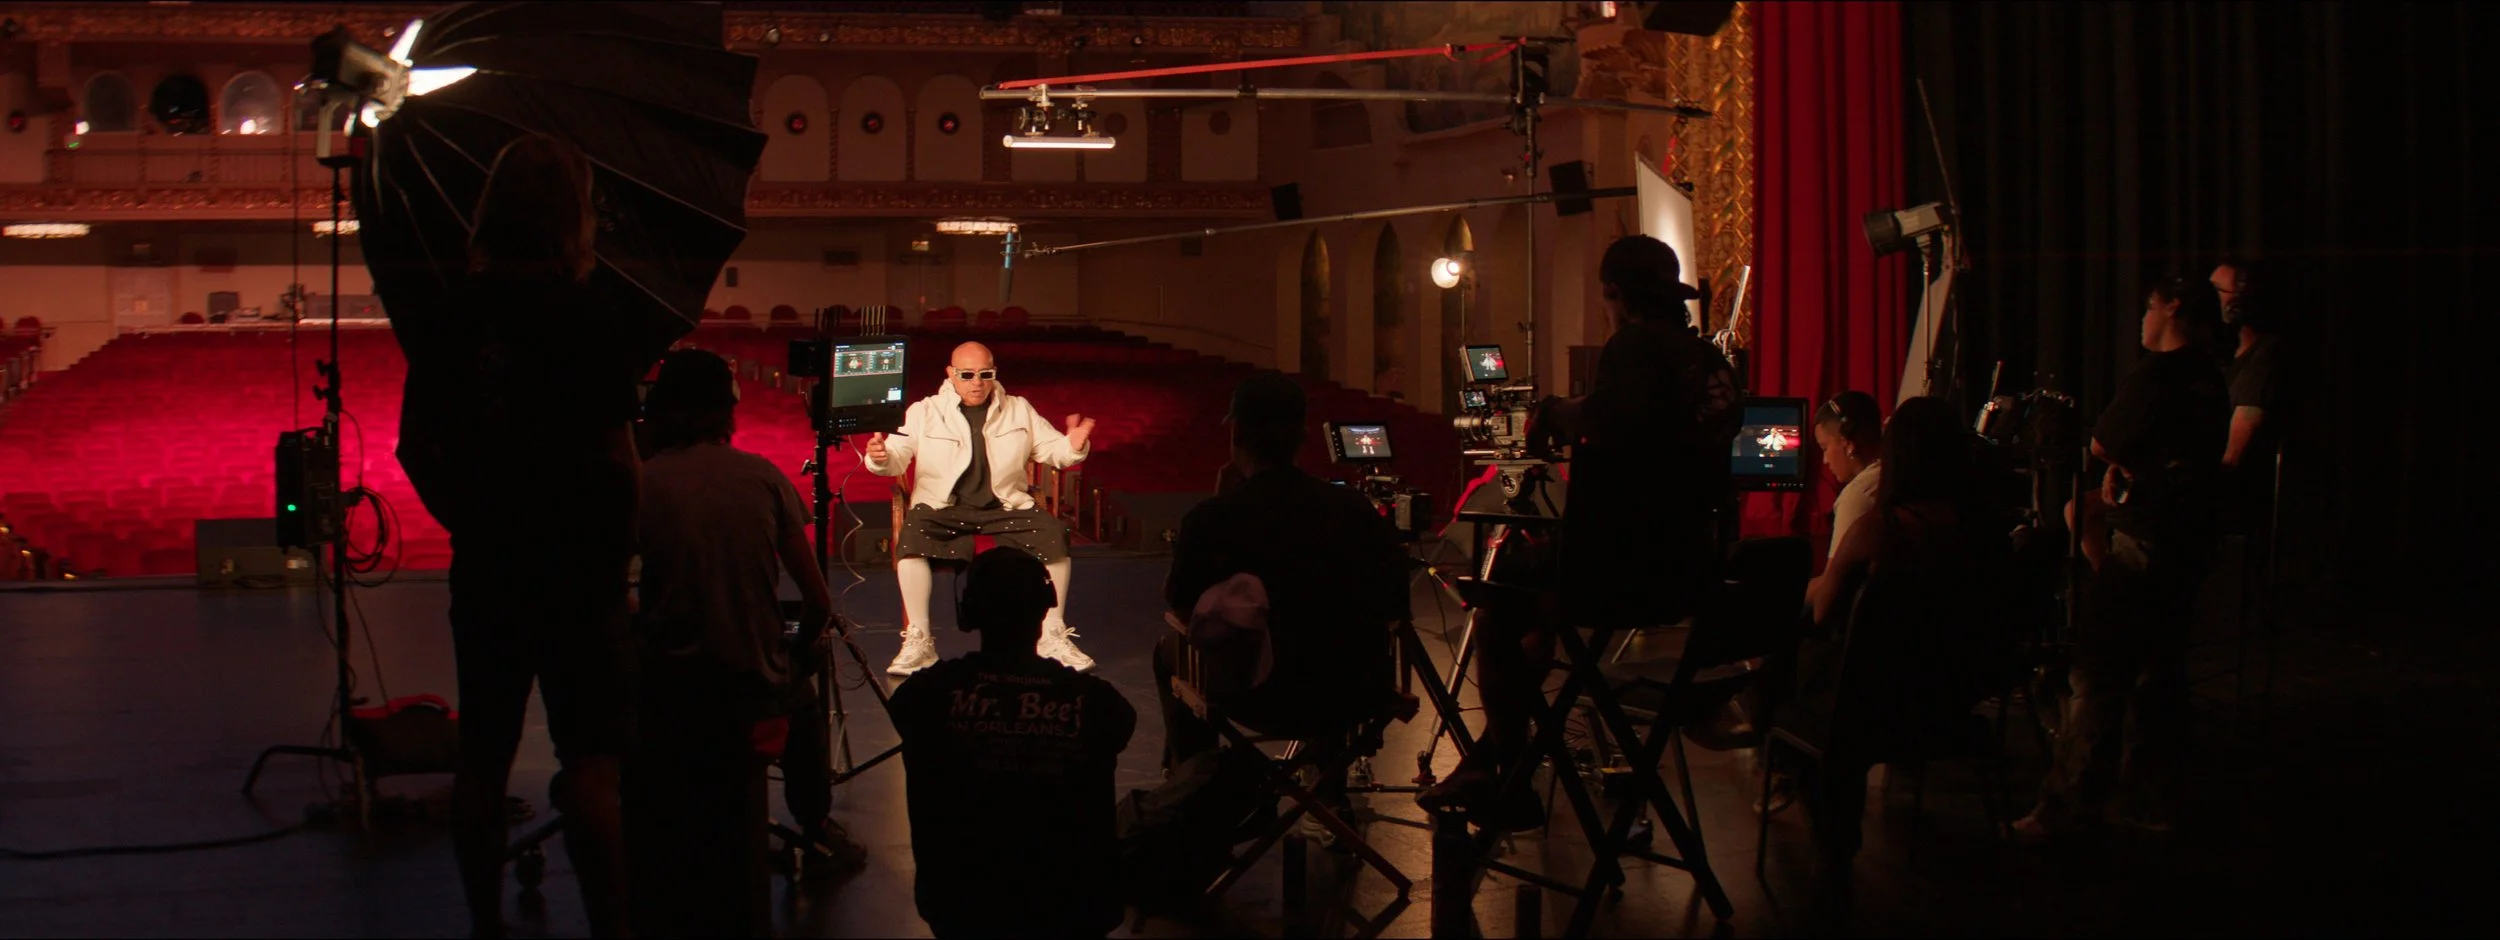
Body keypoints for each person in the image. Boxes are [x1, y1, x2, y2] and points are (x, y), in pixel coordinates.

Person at [396, 135, 641, 939]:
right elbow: (616, 455)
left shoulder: (448, 313)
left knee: (484, 753)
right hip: (583, 570)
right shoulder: (597, 314)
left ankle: (483, 924)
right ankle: (611, 923)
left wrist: (472, 518)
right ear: (575, 217)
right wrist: (622, 553)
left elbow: (414, 448)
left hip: (493, 564)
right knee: (595, 762)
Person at [1421, 235, 1741, 824]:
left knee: (1497, 598)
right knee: (1540, 622)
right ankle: (1493, 760)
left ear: (1614, 293)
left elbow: (1609, 417)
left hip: (1619, 572)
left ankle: (1510, 788)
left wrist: (1556, 413)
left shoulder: (1633, 346)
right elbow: (1640, 419)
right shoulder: (1710, 361)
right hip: (1688, 571)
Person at [627, 350, 858, 935]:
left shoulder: (638, 484)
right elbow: (819, 605)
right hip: (752, 689)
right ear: (728, 410)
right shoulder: (763, 477)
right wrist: (796, 654)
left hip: (667, 693)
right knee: (802, 696)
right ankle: (814, 826)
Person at [2018, 277, 2230, 840]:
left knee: (2099, 675)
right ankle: (2146, 800)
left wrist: (2112, 462)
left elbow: (2103, 444)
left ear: (2171, 309)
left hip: (2144, 542)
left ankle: (2064, 808)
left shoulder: (2157, 375)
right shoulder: (2210, 376)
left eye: (2148, 307)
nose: (2142, 318)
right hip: (2189, 541)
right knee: (2160, 675)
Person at [1788, 396, 2015, 872]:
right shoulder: (1990, 533)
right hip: (1953, 703)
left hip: (1874, 710)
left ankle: (1832, 841)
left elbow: (1825, 609)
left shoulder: (1877, 529)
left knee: (1788, 680)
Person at [1156, 371, 1412, 765]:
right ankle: (1328, 784)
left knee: (1168, 650)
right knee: (1331, 640)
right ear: (1303, 438)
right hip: (1356, 693)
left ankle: (1196, 780)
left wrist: (1221, 505)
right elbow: (1394, 603)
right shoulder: (1356, 510)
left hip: (1260, 696)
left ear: (1236, 434)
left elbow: (1182, 605)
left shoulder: (1213, 518)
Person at [890, 548, 1137, 938]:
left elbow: (905, 717)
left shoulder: (924, 696)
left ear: (968, 614)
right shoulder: (1099, 704)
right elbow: (1119, 730)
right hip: (1071, 908)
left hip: (962, 907)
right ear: (1044, 611)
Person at [863, 342, 1098, 674]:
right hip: (942, 505)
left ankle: (1051, 634)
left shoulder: (1018, 409)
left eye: (985, 374)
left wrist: (1073, 445)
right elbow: (896, 454)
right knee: (913, 538)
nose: (977, 382)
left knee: (1053, 533)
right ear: (951, 374)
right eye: (967, 375)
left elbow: (1053, 451)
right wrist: (881, 457)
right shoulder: (925, 411)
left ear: (994, 373)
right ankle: (918, 640)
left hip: (1005, 505)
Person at [2213, 259, 2289, 533]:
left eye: (2217, 291)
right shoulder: (2220, 356)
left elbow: (2232, 459)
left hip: (2236, 499)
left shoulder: (2265, 356)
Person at [1813, 391, 1886, 559]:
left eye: (1825, 448)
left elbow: (1833, 584)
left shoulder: (1858, 495)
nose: (1825, 460)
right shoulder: (1890, 475)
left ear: (1848, 443)